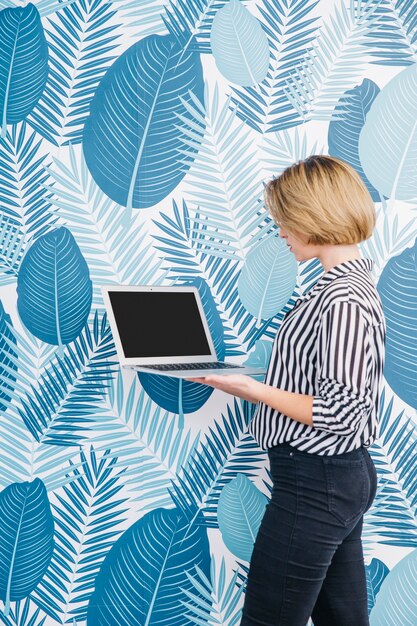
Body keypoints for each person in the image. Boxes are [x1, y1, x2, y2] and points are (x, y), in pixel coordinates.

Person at [186, 155, 386, 626]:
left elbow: (339, 413)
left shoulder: (343, 297)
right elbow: (322, 382)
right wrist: (246, 376)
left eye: (285, 221)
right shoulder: (338, 287)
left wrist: (250, 391)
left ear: (314, 218)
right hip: (330, 479)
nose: (281, 232)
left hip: (318, 482)